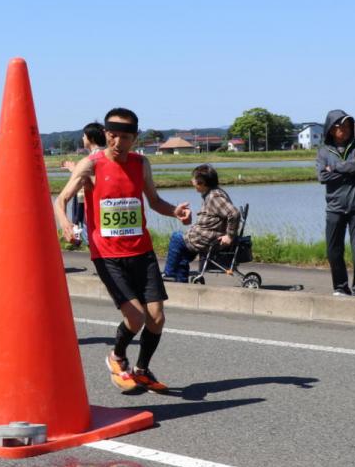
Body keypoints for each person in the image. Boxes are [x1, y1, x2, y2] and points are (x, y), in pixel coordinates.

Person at [54, 107, 191, 392]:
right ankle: (116, 356)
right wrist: (66, 224)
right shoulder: (90, 165)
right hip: (108, 255)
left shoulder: (141, 164)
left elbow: (154, 202)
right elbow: (61, 200)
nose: (118, 143)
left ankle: (141, 370)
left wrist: (175, 211)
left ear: (135, 138)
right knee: (136, 316)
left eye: (125, 137)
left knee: (156, 318)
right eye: (113, 136)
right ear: (105, 134)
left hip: (141, 250)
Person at [316, 110, 355, 297]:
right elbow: (322, 176)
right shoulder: (324, 151)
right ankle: (340, 287)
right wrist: (347, 169)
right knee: (333, 251)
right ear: (331, 130)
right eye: (340, 127)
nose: (345, 130)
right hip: (335, 208)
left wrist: (336, 168)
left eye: (348, 126)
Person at [162, 164, 242, 282]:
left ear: (201, 182)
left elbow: (234, 213)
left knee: (176, 238)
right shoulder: (212, 193)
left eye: (194, 179)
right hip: (206, 236)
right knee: (183, 256)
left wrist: (230, 236)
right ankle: (181, 283)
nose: (191, 182)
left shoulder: (214, 197)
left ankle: (169, 273)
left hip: (208, 239)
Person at [60, 122, 106, 245]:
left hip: (92, 205)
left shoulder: (93, 158)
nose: (82, 138)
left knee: (93, 239)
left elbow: (93, 179)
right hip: (98, 206)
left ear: (90, 139)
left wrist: (75, 170)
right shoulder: (107, 154)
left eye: (84, 136)